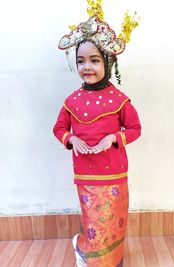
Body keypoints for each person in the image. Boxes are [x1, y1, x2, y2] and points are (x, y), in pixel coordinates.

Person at [53, 1, 141, 266]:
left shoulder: (120, 100)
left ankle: (113, 260)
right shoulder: (71, 101)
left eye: (94, 60)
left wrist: (114, 138)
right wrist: (72, 139)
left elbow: (135, 129)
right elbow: (59, 128)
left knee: (115, 221)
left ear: (108, 61)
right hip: (86, 175)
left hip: (115, 173)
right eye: (81, 61)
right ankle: (88, 254)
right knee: (93, 222)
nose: (87, 67)